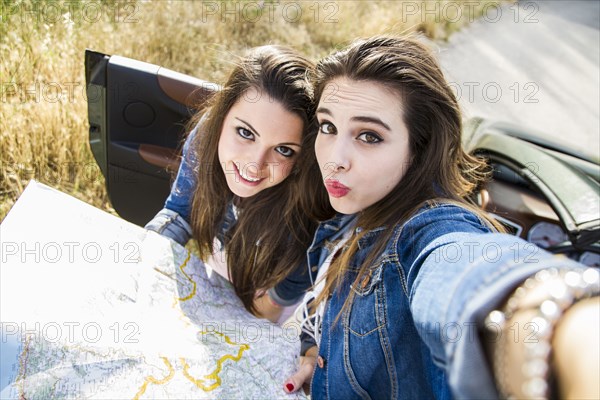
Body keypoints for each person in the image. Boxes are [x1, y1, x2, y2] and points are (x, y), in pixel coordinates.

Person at [283, 35, 599, 399]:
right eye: (328, 126)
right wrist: (314, 354)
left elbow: (468, 275)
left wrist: (559, 325)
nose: (335, 158)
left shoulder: (428, 233)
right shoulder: (351, 205)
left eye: (369, 136)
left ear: (418, 150)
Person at [146, 45, 331, 323]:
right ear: (221, 117)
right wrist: (145, 256)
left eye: (283, 150)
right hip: (223, 267)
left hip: (273, 297)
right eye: (245, 133)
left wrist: (250, 319)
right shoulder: (206, 137)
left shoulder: (308, 194)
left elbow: (281, 296)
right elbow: (179, 213)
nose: (254, 166)